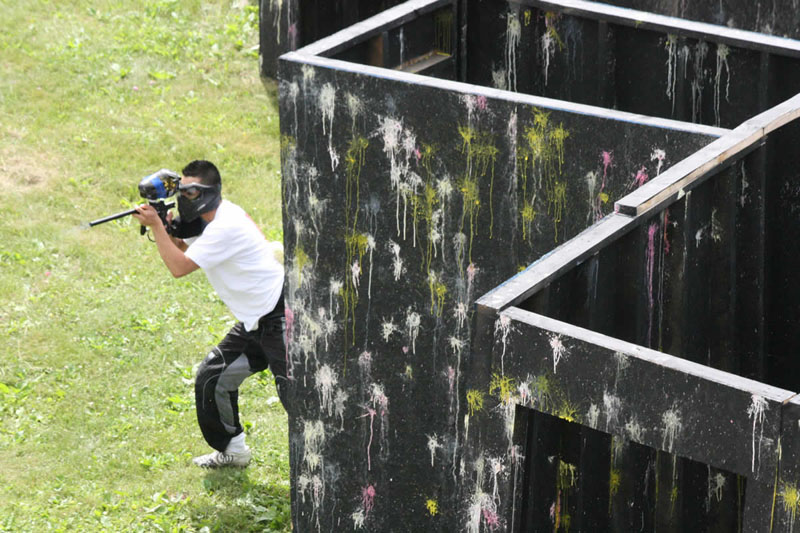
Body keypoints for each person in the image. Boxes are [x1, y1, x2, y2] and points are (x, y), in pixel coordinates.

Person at [133, 160, 288, 468]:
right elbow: (182, 249)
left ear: (208, 192)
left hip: (280, 316)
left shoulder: (224, 226)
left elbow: (179, 268)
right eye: (183, 192)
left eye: (191, 193)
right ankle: (233, 451)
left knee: (299, 398)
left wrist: (155, 228)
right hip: (254, 319)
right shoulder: (210, 218)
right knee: (213, 376)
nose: (185, 199)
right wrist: (165, 225)